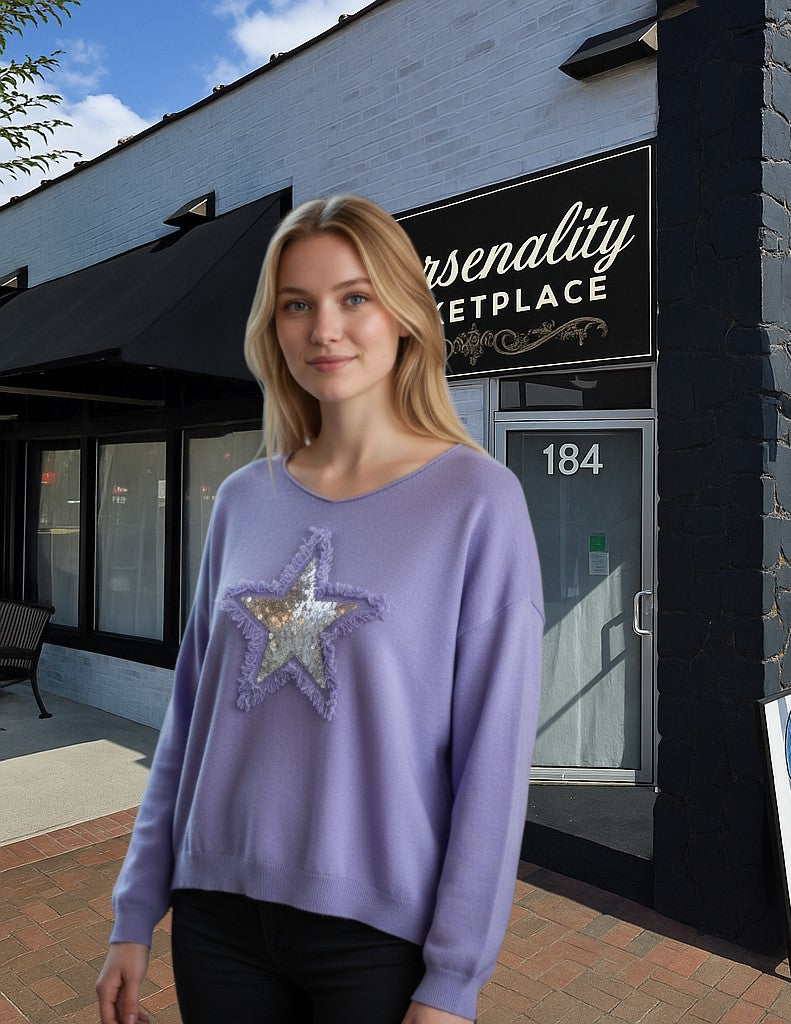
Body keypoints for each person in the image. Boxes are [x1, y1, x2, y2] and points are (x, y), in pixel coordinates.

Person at [95, 195, 545, 1024]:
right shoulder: (241, 498)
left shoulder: (479, 501)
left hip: (376, 939)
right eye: (296, 305)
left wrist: (453, 980)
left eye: (354, 298)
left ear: (406, 315)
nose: (322, 329)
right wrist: (135, 908)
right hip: (215, 915)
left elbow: (493, 759)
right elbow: (187, 722)